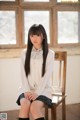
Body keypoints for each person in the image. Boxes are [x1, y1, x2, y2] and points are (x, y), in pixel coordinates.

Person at [16, 24, 55, 120]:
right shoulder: (24, 53)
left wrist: (37, 92)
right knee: (25, 105)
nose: (34, 38)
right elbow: (23, 73)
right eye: (32, 35)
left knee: (34, 108)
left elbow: (47, 76)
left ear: (43, 36)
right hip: (26, 88)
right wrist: (26, 90)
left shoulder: (50, 53)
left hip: (43, 89)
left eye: (37, 35)